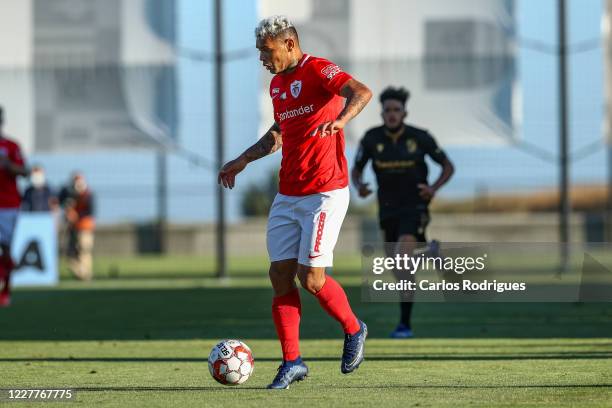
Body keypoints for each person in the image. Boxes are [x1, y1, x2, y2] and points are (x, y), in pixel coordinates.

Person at [218, 15, 372, 389]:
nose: (262, 58)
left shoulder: (318, 69)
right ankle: (293, 362)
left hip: (325, 192)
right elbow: (279, 134)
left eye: (266, 51)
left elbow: (361, 92)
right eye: (259, 52)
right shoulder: (277, 86)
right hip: (288, 193)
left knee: (312, 279)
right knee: (279, 276)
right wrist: (243, 159)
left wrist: (341, 121)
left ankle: (354, 329)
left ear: (288, 44)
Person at [352, 86, 454, 338]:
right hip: (387, 209)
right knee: (398, 269)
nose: (392, 114)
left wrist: (433, 188)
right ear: (382, 113)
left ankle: (404, 325)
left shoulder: (420, 137)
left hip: (415, 206)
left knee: (402, 257)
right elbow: (356, 170)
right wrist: (360, 186)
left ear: (404, 112)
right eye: (388, 110)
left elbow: (448, 166)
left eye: (397, 110)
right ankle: (429, 251)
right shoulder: (371, 139)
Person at [0, 106, 29, 307]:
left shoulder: (11, 146)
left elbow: (25, 171)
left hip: (8, 204)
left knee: (6, 248)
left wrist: (8, 166)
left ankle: (6, 290)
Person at [59, 172, 95, 281]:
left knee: (84, 251)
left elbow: (90, 211)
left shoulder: (88, 194)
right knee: (69, 253)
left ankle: (85, 274)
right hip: (72, 228)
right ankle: (81, 273)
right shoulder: (69, 193)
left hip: (84, 227)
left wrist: (76, 215)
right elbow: (60, 199)